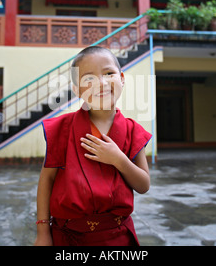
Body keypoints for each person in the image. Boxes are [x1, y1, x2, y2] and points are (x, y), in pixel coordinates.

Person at [34, 46, 152, 246]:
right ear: (77, 90)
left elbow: (143, 185)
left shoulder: (133, 131)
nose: (101, 83)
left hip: (116, 236)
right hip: (68, 235)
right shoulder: (62, 129)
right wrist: (43, 231)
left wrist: (118, 160)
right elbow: (47, 180)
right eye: (89, 79)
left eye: (108, 73)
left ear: (122, 78)